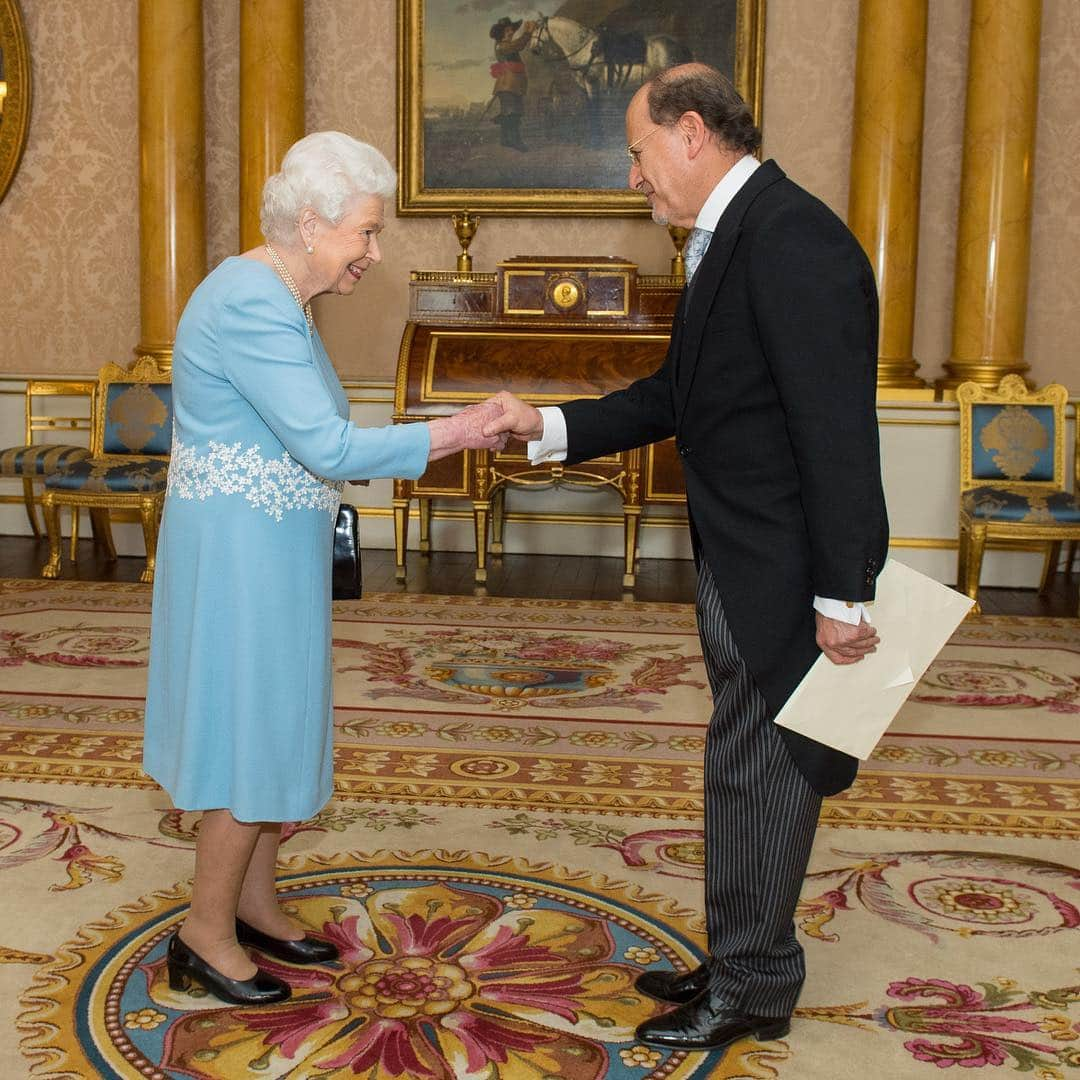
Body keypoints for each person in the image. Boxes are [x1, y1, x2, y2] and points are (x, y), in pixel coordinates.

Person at [482, 64, 889, 1054]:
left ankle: (754, 985)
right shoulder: (739, 237)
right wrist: (547, 425)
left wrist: (844, 595)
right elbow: (677, 394)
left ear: (693, 131)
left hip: (783, 568)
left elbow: (836, 433)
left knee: (765, 768)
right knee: (743, 759)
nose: (634, 177)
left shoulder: (794, 243)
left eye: (637, 150)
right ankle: (742, 954)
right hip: (744, 554)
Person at [143, 131, 504, 1007]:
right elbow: (327, 442)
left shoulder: (275, 293)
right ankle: (204, 933)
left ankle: (255, 905)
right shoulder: (251, 303)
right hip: (240, 557)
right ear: (310, 224)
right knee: (246, 727)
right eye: (365, 235)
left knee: (274, 718)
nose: (373, 256)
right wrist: (455, 429)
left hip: (268, 547)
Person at [489, 16, 535, 151]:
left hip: (512, 85)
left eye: (511, 30)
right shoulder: (502, 46)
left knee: (509, 112)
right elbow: (519, 45)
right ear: (501, 33)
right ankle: (516, 141)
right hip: (507, 85)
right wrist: (528, 33)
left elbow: (516, 45)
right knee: (512, 113)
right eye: (507, 30)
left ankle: (505, 140)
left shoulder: (506, 45)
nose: (511, 32)